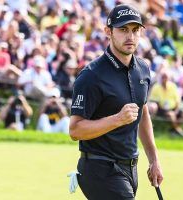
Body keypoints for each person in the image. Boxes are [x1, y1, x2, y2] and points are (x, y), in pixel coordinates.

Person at [69, 4, 163, 199]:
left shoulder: (143, 69)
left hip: (130, 168)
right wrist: (118, 119)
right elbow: (75, 130)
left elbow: (142, 113)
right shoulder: (91, 75)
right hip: (98, 168)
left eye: (135, 30)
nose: (130, 36)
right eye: (123, 30)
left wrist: (154, 160)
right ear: (108, 32)